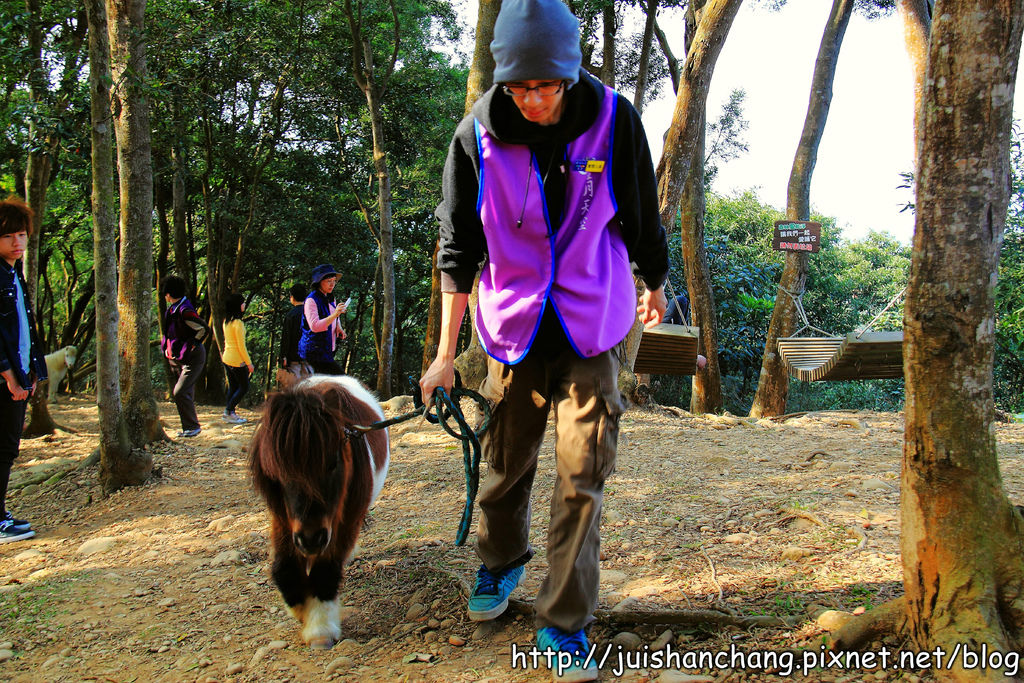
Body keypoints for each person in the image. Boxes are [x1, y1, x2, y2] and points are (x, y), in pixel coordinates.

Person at [418, 0, 669, 679]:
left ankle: (564, 621)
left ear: (570, 73)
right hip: (513, 327)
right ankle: (500, 562)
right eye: (519, 86)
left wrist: (655, 282)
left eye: (546, 85)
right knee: (506, 464)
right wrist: (444, 356)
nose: (532, 100)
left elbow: (641, 214)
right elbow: (457, 251)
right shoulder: (475, 137)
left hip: (592, 324)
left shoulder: (615, 120)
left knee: (583, 472)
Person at [0, 197, 46, 543]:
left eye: (21, 235)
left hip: (19, 374)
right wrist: (8, 376)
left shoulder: (13, 273)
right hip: (5, 379)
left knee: (7, 448)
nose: (17, 243)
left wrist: (31, 370)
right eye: (8, 236)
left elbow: (23, 328)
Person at [160, 274, 210, 438]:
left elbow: (203, 329)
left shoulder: (184, 310)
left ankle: (193, 427)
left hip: (193, 357)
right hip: (177, 357)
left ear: (169, 294)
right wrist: (167, 348)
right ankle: (189, 428)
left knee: (180, 392)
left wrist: (193, 345)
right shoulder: (171, 310)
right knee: (185, 393)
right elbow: (168, 333)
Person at [298, 264, 348, 375]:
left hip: (327, 349)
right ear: (319, 282)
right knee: (340, 378)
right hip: (314, 353)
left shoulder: (330, 297)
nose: (332, 284)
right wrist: (335, 314)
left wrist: (338, 327)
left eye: (334, 281)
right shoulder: (311, 300)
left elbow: (334, 316)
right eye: (329, 281)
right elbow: (315, 326)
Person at [221, 293, 253, 424]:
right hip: (236, 360)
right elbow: (241, 346)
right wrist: (249, 363)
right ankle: (229, 410)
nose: (244, 304)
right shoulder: (238, 323)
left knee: (233, 386)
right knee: (244, 387)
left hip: (227, 357)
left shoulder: (226, 322)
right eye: (242, 302)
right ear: (237, 305)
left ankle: (229, 413)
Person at [278, 282, 313, 386]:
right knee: (308, 386)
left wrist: (283, 356)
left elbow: (286, 338)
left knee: (293, 387)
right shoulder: (311, 314)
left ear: (292, 297)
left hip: (293, 357)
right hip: (309, 357)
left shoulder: (291, 315)